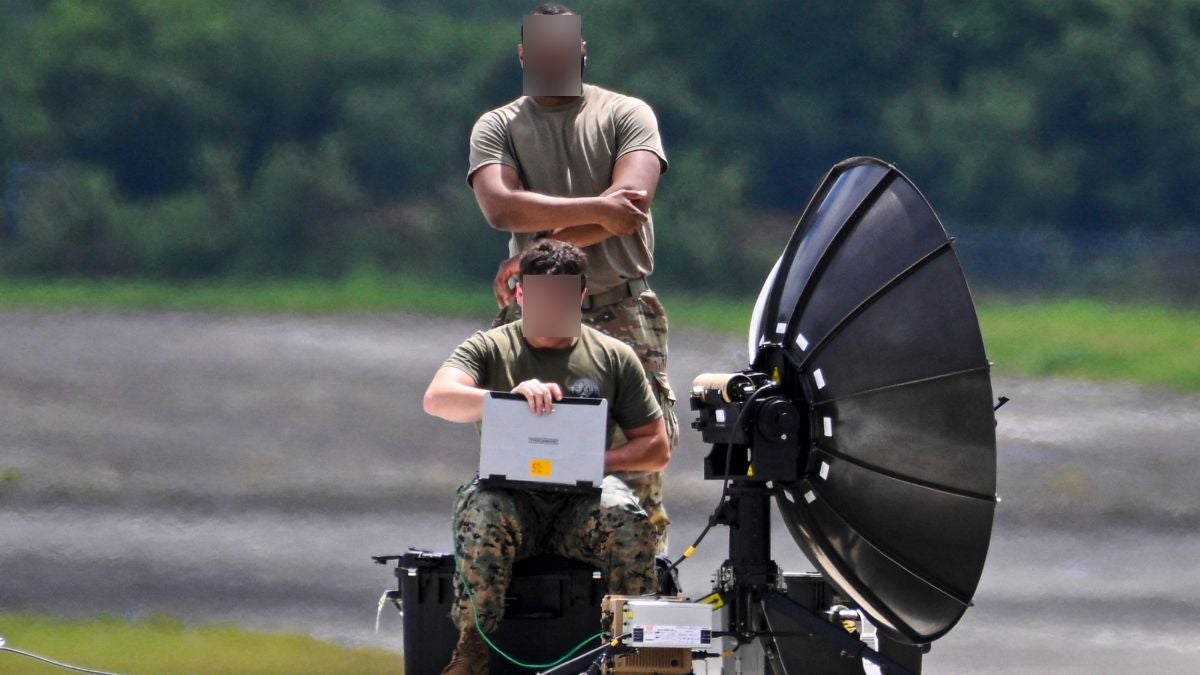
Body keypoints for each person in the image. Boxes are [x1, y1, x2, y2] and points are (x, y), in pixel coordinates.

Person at [467, 2, 678, 555]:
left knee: (637, 474)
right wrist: (595, 211)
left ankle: (635, 603)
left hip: (619, 309)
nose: (552, 60)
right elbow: (501, 208)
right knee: (521, 463)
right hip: (534, 316)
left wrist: (544, 245)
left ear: (581, 51)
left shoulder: (626, 115)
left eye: (563, 49)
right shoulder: (499, 126)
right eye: (540, 51)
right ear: (523, 54)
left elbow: (631, 206)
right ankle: (526, 607)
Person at [424, 239, 669, 675]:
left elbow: (655, 446)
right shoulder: (491, 347)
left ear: (579, 295)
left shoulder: (612, 355)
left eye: (561, 296)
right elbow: (439, 399)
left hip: (581, 500)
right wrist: (504, 399)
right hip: (513, 500)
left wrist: (596, 461)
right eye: (539, 296)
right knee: (482, 510)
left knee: (629, 520)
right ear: (520, 294)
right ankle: (472, 649)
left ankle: (631, 653)